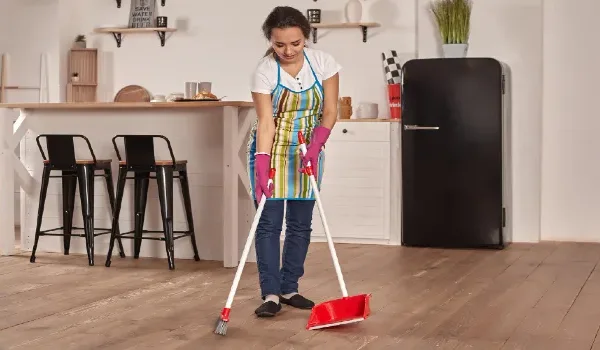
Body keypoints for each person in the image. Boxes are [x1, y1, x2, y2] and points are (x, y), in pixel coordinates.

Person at [246, 6, 341, 317]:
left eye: (295, 43)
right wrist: (262, 166)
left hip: (308, 148)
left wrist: (315, 147)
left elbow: (329, 111)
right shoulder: (264, 70)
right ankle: (271, 293)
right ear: (270, 41)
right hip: (270, 148)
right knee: (269, 225)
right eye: (279, 44)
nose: (287, 51)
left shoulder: (324, 63)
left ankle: (290, 288)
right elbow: (266, 121)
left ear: (306, 39)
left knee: (300, 225)